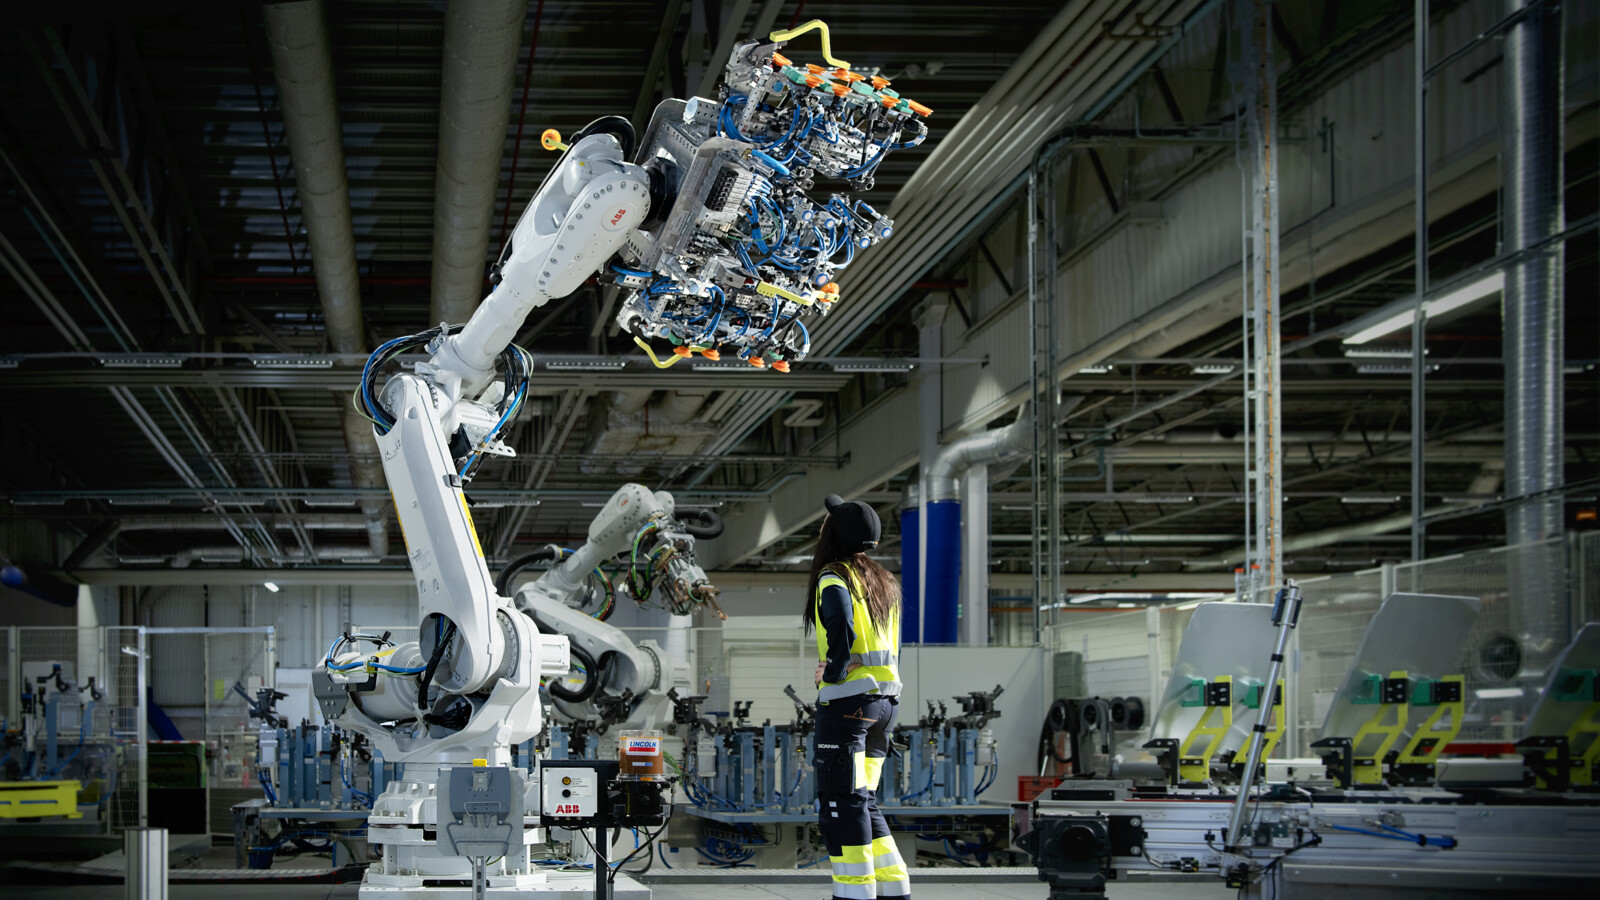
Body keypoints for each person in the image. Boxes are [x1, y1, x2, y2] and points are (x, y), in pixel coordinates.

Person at [806, 493, 910, 899]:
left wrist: (831, 670)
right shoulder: (885, 583)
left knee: (839, 805)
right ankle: (894, 890)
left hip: (848, 706)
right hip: (884, 708)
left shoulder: (834, 577)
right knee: (862, 801)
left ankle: (854, 895)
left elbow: (841, 627)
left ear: (834, 533)